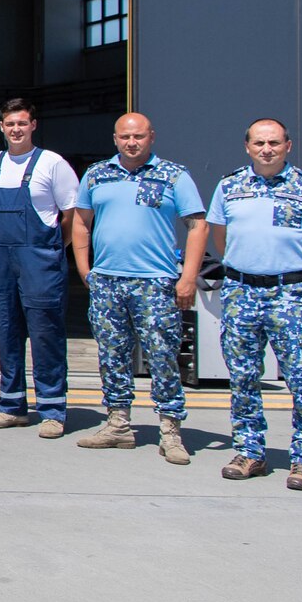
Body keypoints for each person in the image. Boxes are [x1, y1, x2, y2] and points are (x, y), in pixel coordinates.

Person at [209, 119, 302, 490]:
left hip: (290, 297)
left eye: (274, 142)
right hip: (241, 294)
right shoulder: (228, 186)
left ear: (288, 146)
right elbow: (222, 240)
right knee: (243, 376)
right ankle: (249, 451)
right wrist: (253, 270)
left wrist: (290, 275)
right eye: (259, 143)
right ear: (247, 147)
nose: (266, 149)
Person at [70, 112, 207, 464]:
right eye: (125, 137)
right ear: (115, 139)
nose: (132, 143)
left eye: (139, 136)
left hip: (155, 283)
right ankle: (118, 424)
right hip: (108, 282)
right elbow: (81, 223)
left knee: (162, 356)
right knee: (111, 355)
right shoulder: (97, 175)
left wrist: (188, 276)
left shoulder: (174, 176)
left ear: (152, 137)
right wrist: (86, 269)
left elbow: (197, 226)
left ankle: (171, 430)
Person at [0, 99, 79, 437]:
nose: (16, 129)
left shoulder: (53, 164)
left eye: (22, 123)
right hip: (1, 259)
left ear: (33, 125)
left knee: (46, 333)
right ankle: (12, 405)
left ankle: (52, 409)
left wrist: (49, 250)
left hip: (40, 260)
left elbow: (71, 216)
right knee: (6, 331)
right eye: (9, 124)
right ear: (1, 127)